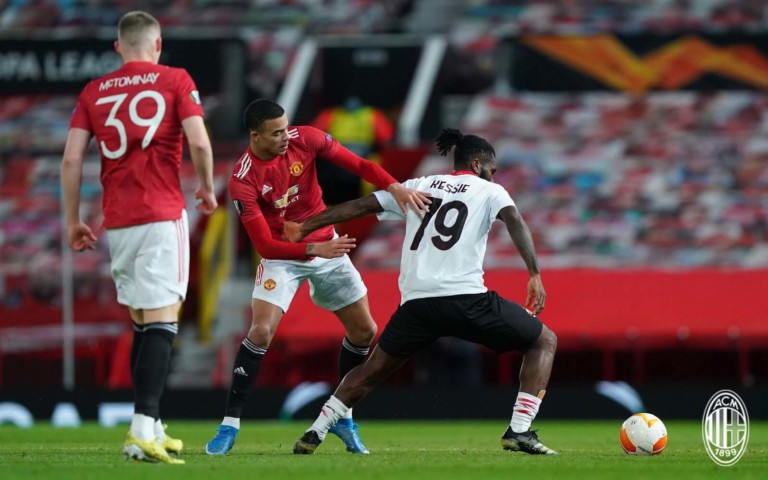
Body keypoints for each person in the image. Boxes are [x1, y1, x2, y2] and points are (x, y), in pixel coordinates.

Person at [287, 128, 559, 455]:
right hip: (465, 298)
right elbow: (514, 219)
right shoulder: (490, 190)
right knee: (543, 341)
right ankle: (520, 430)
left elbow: (360, 206)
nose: (494, 174)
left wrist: (305, 227)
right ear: (477, 164)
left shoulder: (418, 185)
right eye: (492, 168)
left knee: (371, 371)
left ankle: (315, 431)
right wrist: (534, 272)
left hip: (416, 304)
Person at [204, 98, 429, 456]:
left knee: (365, 331)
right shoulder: (242, 180)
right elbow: (264, 243)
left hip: (327, 244)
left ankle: (343, 416)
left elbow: (357, 163)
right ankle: (229, 426)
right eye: (276, 132)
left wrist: (395, 187)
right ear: (255, 136)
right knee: (261, 331)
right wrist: (312, 251)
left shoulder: (305, 139)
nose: (285, 136)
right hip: (285, 256)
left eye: (286, 127)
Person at [61, 11, 217, 465]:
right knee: (163, 322)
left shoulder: (93, 91)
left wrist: (73, 220)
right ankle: (140, 429)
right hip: (161, 213)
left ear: (118, 48)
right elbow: (201, 143)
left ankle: (151, 426)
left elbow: (71, 161)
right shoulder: (174, 79)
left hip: (118, 222)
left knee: (144, 324)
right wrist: (206, 188)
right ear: (158, 43)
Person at [311, 96, 394, 204]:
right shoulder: (371, 114)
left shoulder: (332, 114)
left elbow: (313, 135)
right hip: (342, 158)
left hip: (339, 157)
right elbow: (386, 139)